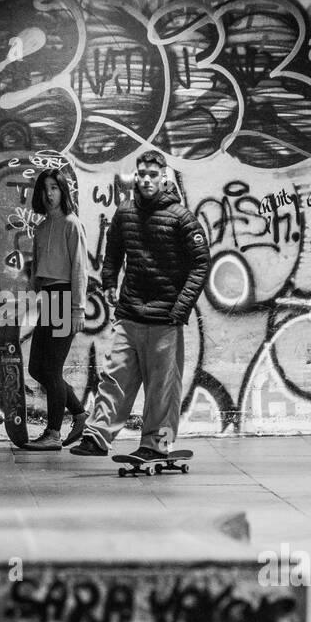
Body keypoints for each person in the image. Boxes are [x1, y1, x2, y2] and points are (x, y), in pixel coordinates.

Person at [70, 150, 210, 459]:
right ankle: (97, 437)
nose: (146, 179)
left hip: (165, 318)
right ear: (136, 176)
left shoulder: (181, 218)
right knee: (114, 378)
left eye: (152, 174)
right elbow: (113, 250)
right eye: (141, 174)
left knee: (162, 389)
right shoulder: (126, 212)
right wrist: (109, 283)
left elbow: (201, 264)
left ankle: (157, 445)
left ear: (163, 177)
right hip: (130, 313)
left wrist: (180, 308)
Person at [19, 167, 89, 451]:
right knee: (37, 367)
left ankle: (53, 433)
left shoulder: (72, 224)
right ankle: (80, 413)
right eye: (44, 188)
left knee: (52, 367)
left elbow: (79, 269)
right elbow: (37, 268)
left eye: (54, 188)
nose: (49, 194)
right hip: (48, 298)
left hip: (63, 297)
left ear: (63, 191)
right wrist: (34, 281)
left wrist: (78, 310)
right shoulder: (42, 227)